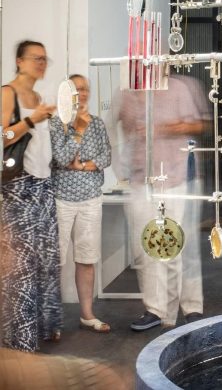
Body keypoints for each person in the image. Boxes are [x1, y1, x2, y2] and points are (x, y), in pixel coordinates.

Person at [115, 74, 210, 330]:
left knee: (181, 245)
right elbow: (123, 128)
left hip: (176, 177)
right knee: (148, 246)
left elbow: (199, 125)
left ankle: (191, 308)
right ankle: (156, 310)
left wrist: (163, 128)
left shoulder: (179, 87)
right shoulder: (129, 92)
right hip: (141, 180)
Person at [0, 40, 61, 351]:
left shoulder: (39, 98)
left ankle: (43, 327)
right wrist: (31, 120)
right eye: (35, 58)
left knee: (46, 260)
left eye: (44, 58)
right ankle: (21, 337)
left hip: (43, 186)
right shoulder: (7, 93)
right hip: (18, 188)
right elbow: (2, 137)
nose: (41, 63)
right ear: (19, 61)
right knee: (21, 265)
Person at [50, 75, 112, 333]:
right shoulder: (56, 124)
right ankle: (51, 321)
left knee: (87, 259)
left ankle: (87, 315)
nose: (82, 94)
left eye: (85, 89)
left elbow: (106, 155)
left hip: (91, 200)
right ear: (67, 94)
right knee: (55, 261)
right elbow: (61, 158)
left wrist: (82, 165)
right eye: (77, 90)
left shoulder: (97, 123)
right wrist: (80, 129)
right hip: (61, 200)